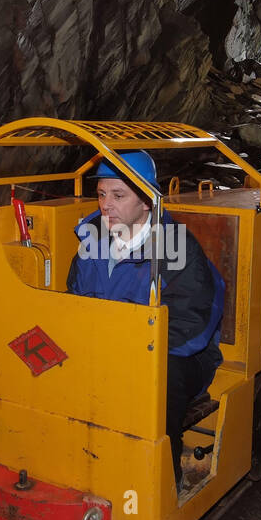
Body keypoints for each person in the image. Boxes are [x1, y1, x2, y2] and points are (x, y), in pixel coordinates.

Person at [66, 150, 225, 491]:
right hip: (112, 347)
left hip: (177, 354)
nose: (106, 205)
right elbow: (76, 300)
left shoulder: (176, 248)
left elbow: (192, 323)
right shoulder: (90, 240)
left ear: (147, 202)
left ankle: (162, 484)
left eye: (119, 195)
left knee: (157, 382)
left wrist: (128, 351)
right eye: (102, 194)